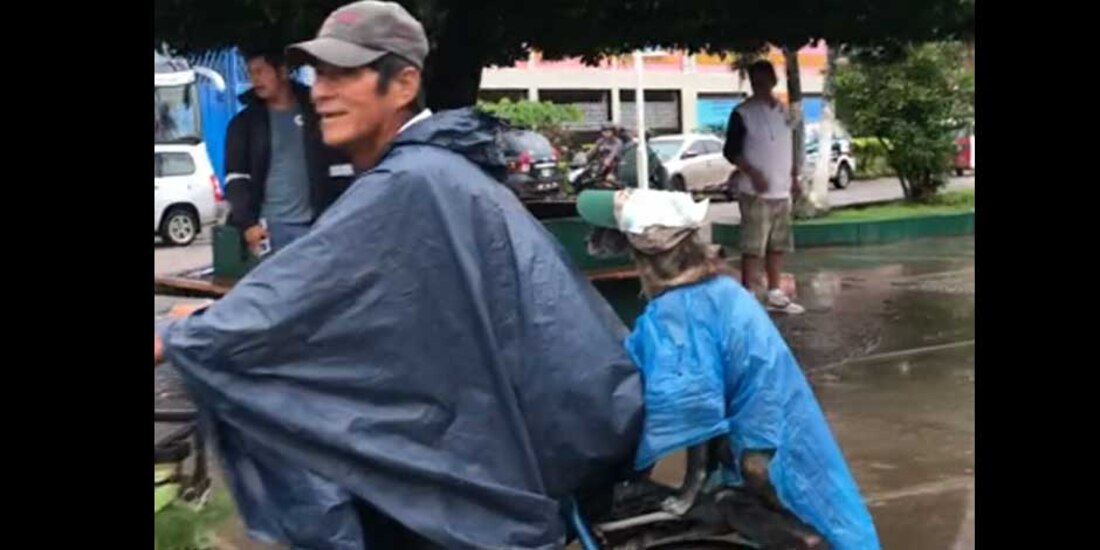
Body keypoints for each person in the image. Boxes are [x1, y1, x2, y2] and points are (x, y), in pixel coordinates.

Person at [154, 2, 643, 548]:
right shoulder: (438, 167)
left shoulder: (410, 182)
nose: (321, 93)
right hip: (514, 434)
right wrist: (210, 316)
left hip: (484, 467)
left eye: (345, 74)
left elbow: (299, 287)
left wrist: (181, 334)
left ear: (405, 83)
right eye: (319, 76)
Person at [576, 187, 881, 550]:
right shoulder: (715, 291)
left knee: (790, 506)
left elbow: (693, 406)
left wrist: (685, 485)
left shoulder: (682, 309)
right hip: (769, 422)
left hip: (764, 437)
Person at [223, 50, 354, 255]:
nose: (254, 79)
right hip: (271, 229)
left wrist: (339, 216)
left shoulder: (317, 115)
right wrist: (248, 224)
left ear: (282, 72)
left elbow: (342, 168)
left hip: (320, 226)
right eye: (251, 73)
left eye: (260, 71)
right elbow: (236, 178)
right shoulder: (244, 124)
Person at [724, 60, 805, 314]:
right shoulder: (742, 113)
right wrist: (753, 173)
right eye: (755, 80)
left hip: (781, 189)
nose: (760, 85)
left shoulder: (784, 112)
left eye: (764, 79)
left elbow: (790, 146)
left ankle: (774, 292)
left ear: (773, 80)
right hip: (754, 192)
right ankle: (748, 293)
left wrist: (794, 177)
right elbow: (731, 151)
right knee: (753, 246)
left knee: (778, 244)